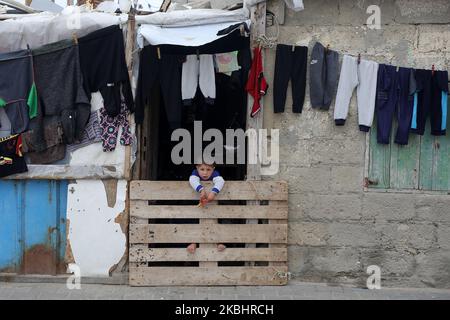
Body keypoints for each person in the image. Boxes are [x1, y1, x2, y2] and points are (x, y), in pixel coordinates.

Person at [188, 162, 226, 254]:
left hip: (212, 205)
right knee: (195, 222)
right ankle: (193, 242)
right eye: (202, 169)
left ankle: (218, 242)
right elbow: (192, 180)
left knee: (216, 222)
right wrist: (201, 189)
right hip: (198, 206)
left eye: (208, 170)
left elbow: (220, 181)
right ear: (197, 168)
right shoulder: (195, 173)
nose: (205, 173)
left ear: (213, 169)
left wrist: (213, 192)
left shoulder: (215, 174)